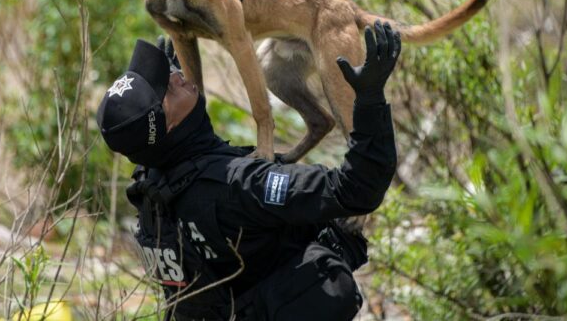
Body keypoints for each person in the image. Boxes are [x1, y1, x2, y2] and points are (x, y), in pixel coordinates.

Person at [96, 21, 401, 321]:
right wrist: (370, 101)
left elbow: (161, 142)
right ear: (169, 124)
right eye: (167, 86)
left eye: (169, 72)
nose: (177, 76)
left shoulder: (152, 187)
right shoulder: (236, 186)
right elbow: (356, 189)